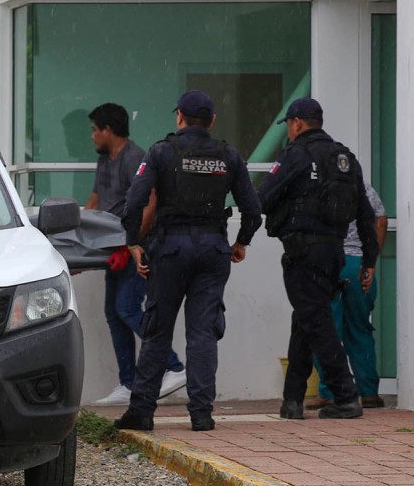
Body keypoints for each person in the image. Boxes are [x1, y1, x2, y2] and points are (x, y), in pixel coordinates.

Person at [113, 90, 262, 431]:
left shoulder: (162, 152)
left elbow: (134, 202)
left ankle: (142, 412)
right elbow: (253, 210)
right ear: (211, 120)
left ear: (179, 116)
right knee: (203, 333)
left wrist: (133, 242)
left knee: (157, 331)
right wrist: (241, 243)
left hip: (170, 251)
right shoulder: (228, 156)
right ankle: (201, 414)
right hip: (213, 250)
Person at [257, 97, 379, 420]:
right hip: (334, 254)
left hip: (303, 253)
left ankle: (346, 394)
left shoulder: (296, 155)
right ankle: (292, 401)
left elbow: (264, 196)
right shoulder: (345, 158)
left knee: (316, 322)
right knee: (306, 319)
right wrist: (369, 260)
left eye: (289, 126)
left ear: (296, 123)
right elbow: (366, 215)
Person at [84, 103, 187, 406]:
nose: (92, 137)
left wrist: (133, 241)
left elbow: (150, 201)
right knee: (114, 314)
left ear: (108, 130)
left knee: (127, 308)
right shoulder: (105, 160)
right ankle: (128, 382)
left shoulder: (135, 158)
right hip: (111, 248)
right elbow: (96, 199)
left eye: (94, 130)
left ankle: (173, 366)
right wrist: (76, 239)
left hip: (136, 247)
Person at [308, 183, 388, 410]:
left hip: (326, 263)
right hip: (358, 265)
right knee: (360, 328)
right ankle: (369, 392)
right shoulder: (363, 187)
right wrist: (370, 261)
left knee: (325, 330)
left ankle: (330, 392)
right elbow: (381, 221)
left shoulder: (315, 185)